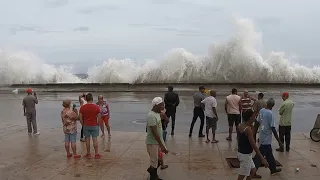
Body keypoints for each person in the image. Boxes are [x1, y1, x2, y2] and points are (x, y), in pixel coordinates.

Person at [252, 98, 282, 178]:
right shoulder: (270, 114)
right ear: (272, 106)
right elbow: (273, 129)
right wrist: (279, 141)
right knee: (259, 157)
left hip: (262, 136)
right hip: (266, 139)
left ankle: (273, 169)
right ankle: (253, 172)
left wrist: (253, 133)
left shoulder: (261, 110)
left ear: (266, 104)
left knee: (269, 155)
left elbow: (257, 123)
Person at [237, 109, 268, 180]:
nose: (255, 117)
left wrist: (255, 124)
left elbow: (246, 136)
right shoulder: (248, 129)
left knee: (253, 171)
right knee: (241, 176)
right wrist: (262, 159)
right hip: (245, 155)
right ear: (250, 117)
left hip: (242, 153)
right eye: (254, 116)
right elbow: (254, 146)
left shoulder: (240, 125)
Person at [146, 97, 168, 180]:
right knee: (154, 162)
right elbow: (155, 133)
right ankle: (153, 177)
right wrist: (162, 146)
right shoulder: (151, 116)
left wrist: (164, 115)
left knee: (157, 161)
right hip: (152, 143)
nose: (163, 106)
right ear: (156, 105)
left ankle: (152, 173)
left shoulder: (158, 114)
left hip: (157, 142)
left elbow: (166, 121)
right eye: (161, 105)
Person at [79, 93, 101, 159]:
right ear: (92, 99)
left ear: (86, 99)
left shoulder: (82, 107)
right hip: (94, 125)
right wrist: (98, 123)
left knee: (87, 140)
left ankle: (88, 153)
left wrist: (82, 124)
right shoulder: (96, 107)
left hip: (86, 125)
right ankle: (96, 154)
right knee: (95, 140)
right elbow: (99, 117)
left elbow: (80, 117)